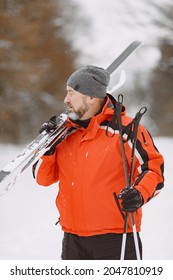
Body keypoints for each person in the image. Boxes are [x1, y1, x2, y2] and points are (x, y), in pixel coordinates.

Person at [33, 65, 164, 260]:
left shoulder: (126, 129)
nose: (65, 100)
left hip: (116, 237)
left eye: (71, 93)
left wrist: (139, 193)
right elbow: (43, 179)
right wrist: (48, 148)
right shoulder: (65, 133)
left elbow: (154, 169)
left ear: (91, 97)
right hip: (73, 238)